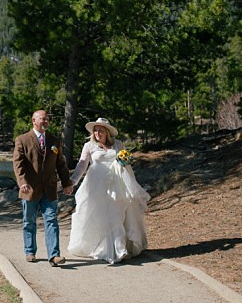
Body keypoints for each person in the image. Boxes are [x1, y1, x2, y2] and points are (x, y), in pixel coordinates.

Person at [66, 117, 149, 264]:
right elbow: (82, 165)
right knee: (101, 216)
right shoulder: (89, 146)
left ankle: (120, 248)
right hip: (96, 185)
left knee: (117, 214)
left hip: (117, 184)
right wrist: (72, 182)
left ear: (107, 132)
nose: (97, 133)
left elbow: (126, 163)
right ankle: (106, 248)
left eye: (101, 130)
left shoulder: (118, 144)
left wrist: (126, 162)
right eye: (95, 130)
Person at [12, 109, 72, 266]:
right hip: (29, 188)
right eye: (42, 119)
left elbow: (61, 164)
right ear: (34, 121)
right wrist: (22, 182)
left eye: (47, 119)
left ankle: (54, 255)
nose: (45, 121)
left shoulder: (54, 140)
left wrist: (66, 183)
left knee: (51, 220)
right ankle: (30, 251)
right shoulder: (22, 140)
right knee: (29, 221)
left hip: (49, 189)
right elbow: (18, 164)